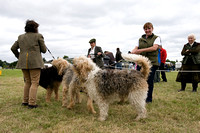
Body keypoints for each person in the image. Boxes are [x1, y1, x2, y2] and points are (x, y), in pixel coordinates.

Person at [11, 20, 47, 109]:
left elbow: (13, 48)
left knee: (27, 82)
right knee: (35, 82)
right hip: (35, 62)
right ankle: (32, 103)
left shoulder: (20, 37)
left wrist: (19, 56)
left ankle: (25, 101)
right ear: (35, 28)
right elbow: (44, 50)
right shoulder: (38, 36)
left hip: (23, 62)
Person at [131, 22, 160, 103]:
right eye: (145, 29)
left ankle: (148, 99)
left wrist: (140, 50)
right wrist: (132, 52)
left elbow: (154, 48)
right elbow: (135, 48)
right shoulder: (140, 39)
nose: (147, 30)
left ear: (152, 29)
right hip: (141, 63)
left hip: (151, 63)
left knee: (149, 81)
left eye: (149, 28)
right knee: (138, 81)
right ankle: (140, 97)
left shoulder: (156, 38)